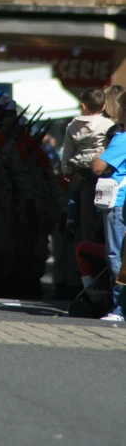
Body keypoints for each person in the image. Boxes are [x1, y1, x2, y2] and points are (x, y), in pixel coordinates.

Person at [61, 87, 113, 241]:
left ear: (83, 105)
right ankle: (98, 222)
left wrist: (66, 171)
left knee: (74, 196)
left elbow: (67, 152)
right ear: (103, 107)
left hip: (80, 171)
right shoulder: (108, 125)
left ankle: (71, 220)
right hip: (101, 171)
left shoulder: (72, 126)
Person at [92, 107, 126, 321]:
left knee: (117, 255)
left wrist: (98, 153)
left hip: (119, 201)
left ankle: (120, 307)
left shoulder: (122, 139)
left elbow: (98, 166)